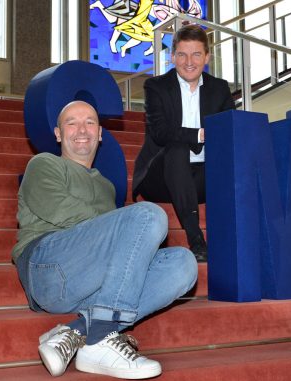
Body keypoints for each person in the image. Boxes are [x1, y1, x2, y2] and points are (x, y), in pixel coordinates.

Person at [12, 100, 198, 379]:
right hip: (48, 268)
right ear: (58, 134)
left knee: (185, 263)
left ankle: (80, 331)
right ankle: (99, 338)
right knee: (148, 215)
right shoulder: (44, 164)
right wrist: (120, 229)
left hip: (90, 285)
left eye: (89, 121)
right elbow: (62, 213)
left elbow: (120, 246)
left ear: (100, 133)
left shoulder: (106, 185)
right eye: (71, 122)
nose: (81, 129)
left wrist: (122, 233)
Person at [132, 24, 234, 262]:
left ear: (206, 57)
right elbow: (160, 133)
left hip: (200, 180)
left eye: (196, 54)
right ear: (172, 56)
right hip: (161, 178)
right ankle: (196, 239)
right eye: (182, 54)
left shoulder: (219, 88)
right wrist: (199, 135)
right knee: (177, 148)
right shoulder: (156, 86)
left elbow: (230, 130)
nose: (189, 61)